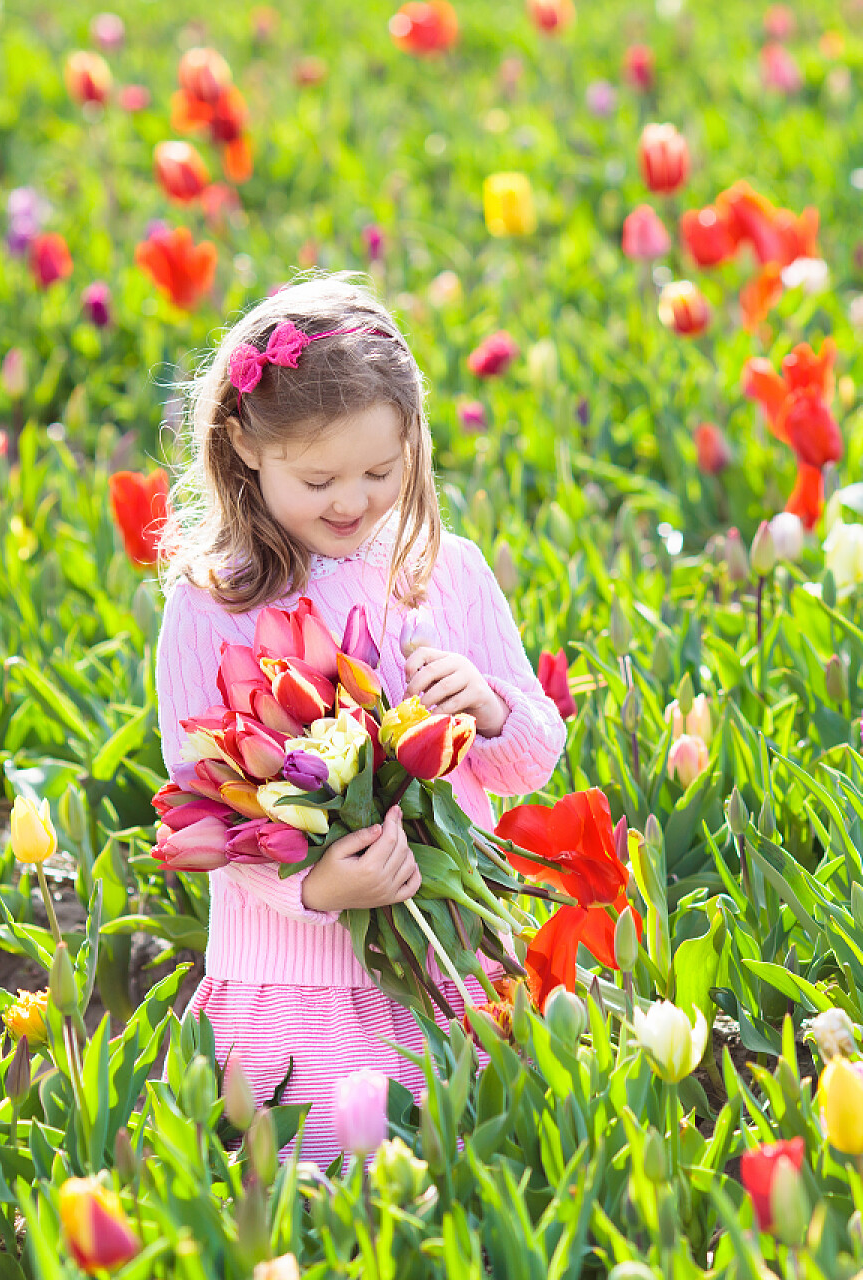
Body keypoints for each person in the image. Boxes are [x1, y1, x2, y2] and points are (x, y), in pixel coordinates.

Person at [154, 273, 566, 1164]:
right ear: (242, 448)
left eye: (381, 472)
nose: (351, 501)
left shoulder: (442, 568)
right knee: (325, 1192)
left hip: (453, 957)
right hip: (295, 981)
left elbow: (529, 761)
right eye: (319, 478)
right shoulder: (211, 604)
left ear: (413, 442)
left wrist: (489, 710)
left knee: (460, 1185)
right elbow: (206, 807)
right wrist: (315, 891)